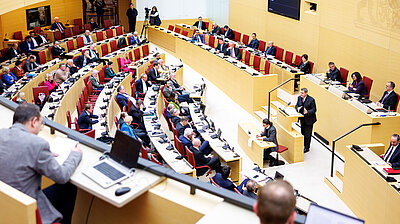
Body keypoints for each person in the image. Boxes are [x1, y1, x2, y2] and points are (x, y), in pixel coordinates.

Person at [0, 103, 82, 224]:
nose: (40, 128)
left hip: (6, 205)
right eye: (41, 124)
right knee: (69, 187)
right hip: (27, 208)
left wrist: (44, 155)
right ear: (33, 121)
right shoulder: (37, 144)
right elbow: (62, 176)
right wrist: (75, 154)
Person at [295, 88, 317, 153]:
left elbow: (314, 109)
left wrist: (307, 112)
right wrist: (297, 108)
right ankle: (303, 144)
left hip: (309, 120)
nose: (301, 94)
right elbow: (297, 105)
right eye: (300, 93)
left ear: (306, 93)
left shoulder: (311, 100)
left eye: (302, 93)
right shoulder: (299, 98)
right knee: (303, 132)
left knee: (308, 134)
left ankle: (307, 147)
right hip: (302, 119)